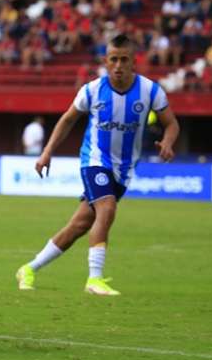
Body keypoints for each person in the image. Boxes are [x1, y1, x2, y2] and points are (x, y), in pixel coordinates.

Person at [15, 34, 180, 295]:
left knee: (79, 225)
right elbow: (68, 120)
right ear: (105, 61)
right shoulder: (92, 90)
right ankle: (94, 278)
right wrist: (47, 152)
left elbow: (171, 123)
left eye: (123, 60)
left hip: (124, 170)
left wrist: (168, 142)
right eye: (113, 59)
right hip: (94, 160)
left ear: (133, 62)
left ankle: (29, 268)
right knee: (107, 208)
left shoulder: (150, 91)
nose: (118, 65)